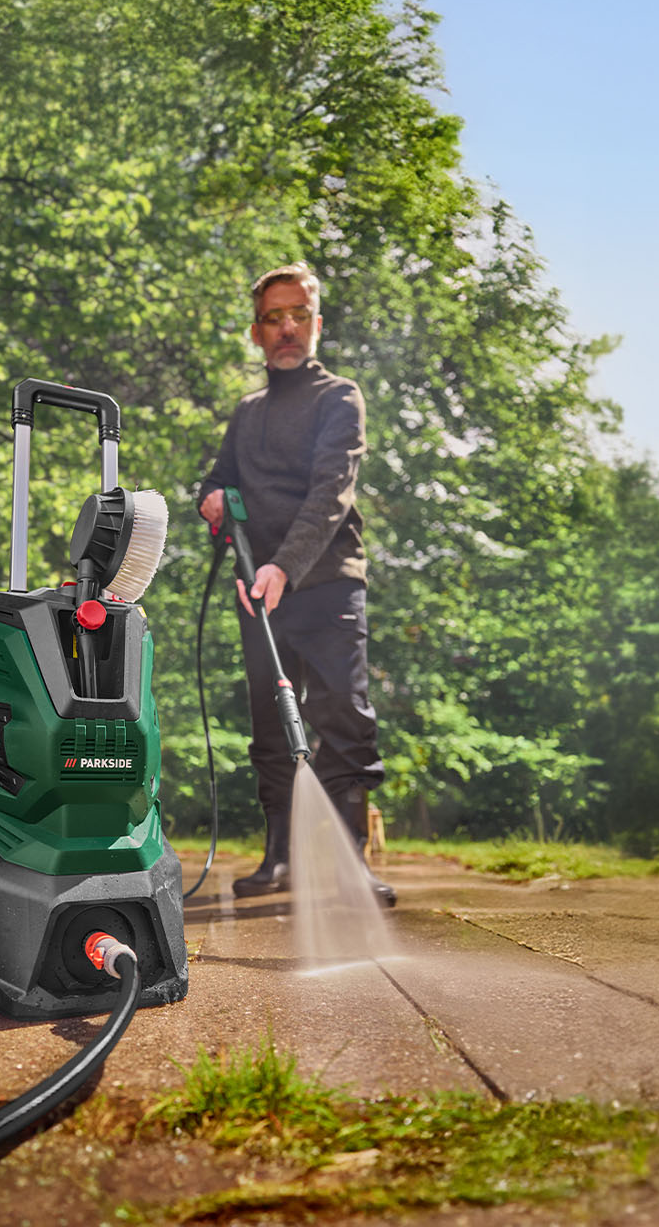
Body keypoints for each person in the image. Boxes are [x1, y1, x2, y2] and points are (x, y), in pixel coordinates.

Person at [197, 263, 395, 906]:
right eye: (273, 318)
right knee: (270, 721)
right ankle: (279, 858)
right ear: (256, 333)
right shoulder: (247, 411)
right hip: (259, 590)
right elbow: (220, 475)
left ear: (316, 322)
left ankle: (349, 865)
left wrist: (286, 565)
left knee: (343, 712)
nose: (287, 328)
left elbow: (330, 493)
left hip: (328, 581)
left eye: (298, 316)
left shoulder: (339, 397)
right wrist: (211, 501)